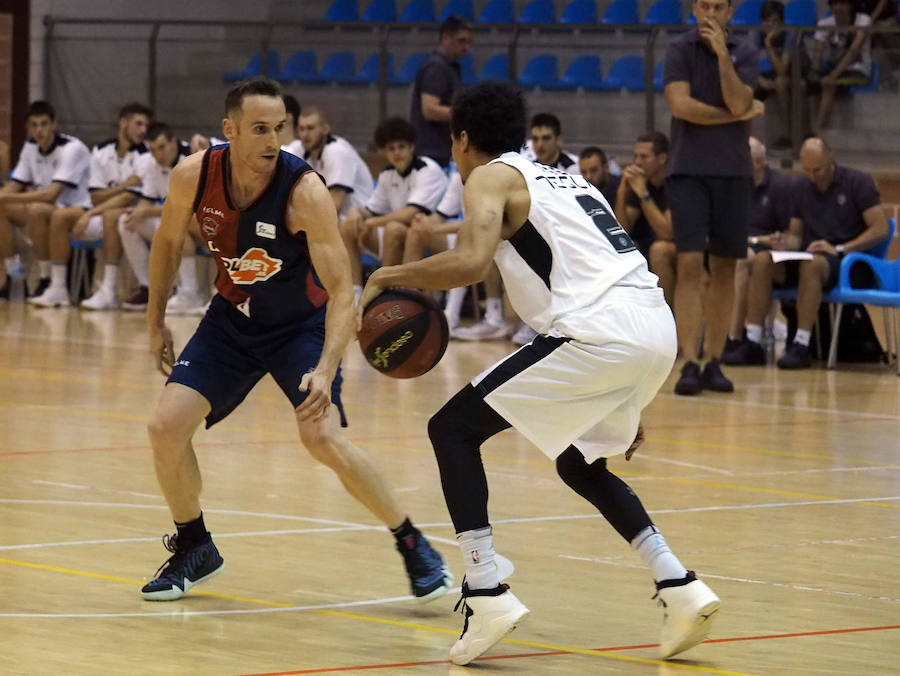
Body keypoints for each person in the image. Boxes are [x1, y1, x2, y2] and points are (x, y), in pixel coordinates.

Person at [358, 82, 720, 666]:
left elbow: (472, 262)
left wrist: (385, 277)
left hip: (595, 331)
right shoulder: (564, 178)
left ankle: (484, 591)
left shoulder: (489, 176)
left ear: (463, 139)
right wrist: (631, 387)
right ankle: (680, 586)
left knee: (452, 430)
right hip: (653, 328)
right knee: (581, 461)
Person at [140, 78, 452, 603]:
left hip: (300, 327)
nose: (271, 140)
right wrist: (155, 321)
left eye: (278, 129)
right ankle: (194, 543)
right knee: (164, 427)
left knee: (321, 438)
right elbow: (168, 243)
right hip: (231, 321)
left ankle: (412, 541)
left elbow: (340, 290)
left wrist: (327, 367)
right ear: (229, 130)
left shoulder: (303, 191)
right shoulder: (193, 177)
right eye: (259, 129)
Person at [663, 0, 764, 395]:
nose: (711, 13)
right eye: (704, 5)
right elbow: (680, 106)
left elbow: (740, 99)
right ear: (692, 9)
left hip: (734, 171)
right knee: (689, 264)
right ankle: (688, 360)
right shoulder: (678, 50)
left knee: (725, 268)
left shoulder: (747, 52)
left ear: (731, 11)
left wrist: (723, 55)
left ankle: (715, 361)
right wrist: (736, 116)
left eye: (718, 6)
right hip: (687, 169)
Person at [731, 137, 889, 368]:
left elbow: (881, 229)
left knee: (812, 265)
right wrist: (785, 243)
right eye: (808, 170)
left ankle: (802, 343)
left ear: (831, 157)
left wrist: (839, 248)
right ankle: (754, 339)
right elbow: (796, 235)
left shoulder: (858, 182)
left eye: (818, 169)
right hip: (809, 255)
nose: (814, 176)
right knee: (763, 260)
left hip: (848, 259)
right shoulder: (801, 188)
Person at [28, 101, 152, 307]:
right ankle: (58, 287)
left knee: (112, 214)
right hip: (99, 213)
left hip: (129, 218)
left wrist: (93, 210)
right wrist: (122, 187)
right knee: (60, 216)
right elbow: (95, 196)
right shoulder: (101, 150)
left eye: (146, 126)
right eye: (138, 124)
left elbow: (127, 198)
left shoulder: (145, 155)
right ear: (123, 123)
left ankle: (108, 290)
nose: (143, 130)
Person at [81, 122, 201, 312]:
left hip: (202, 221)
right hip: (172, 217)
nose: (158, 155)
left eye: (161, 148)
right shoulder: (152, 165)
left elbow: (187, 206)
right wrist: (137, 212)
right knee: (126, 223)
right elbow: (147, 199)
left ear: (174, 142)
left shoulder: (191, 160)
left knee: (179, 224)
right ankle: (150, 288)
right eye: (153, 150)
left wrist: (146, 211)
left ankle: (190, 293)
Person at [338, 117, 447, 301]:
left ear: (412, 147)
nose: (397, 153)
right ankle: (355, 294)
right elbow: (371, 209)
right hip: (405, 234)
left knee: (394, 228)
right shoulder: (388, 174)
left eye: (401, 147)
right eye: (391, 148)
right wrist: (355, 212)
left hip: (436, 235)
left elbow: (411, 214)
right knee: (348, 225)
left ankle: (384, 294)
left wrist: (371, 222)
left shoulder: (428, 169)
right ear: (384, 152)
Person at [0, 101, 91, 302]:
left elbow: (51, 194)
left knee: (35, 209)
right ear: (28, 128)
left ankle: (45, 278)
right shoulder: (30, 147)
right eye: (34, 125)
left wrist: (5, 195)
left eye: (44, 124)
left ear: (54, 124)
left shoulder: (71, 148)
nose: (39, 130)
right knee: (3, 208)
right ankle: (14, 277)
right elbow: (15, 185)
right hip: (44, 209)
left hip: (80, 209)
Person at [403, 171, 508, 340]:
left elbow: (483, 222)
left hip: (498, 238)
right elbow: (441, 215)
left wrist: (435, 229)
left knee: (474, 238)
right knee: (415, 233)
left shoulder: (494, 175)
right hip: (467, 235)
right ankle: (407, 310)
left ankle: (488, 318)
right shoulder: (457, 177)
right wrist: (424, 222)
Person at [722, 136, 794, 364]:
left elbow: (790, 235)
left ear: (760, 161)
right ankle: (712, 334)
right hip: (736, 244)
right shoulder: (732, 186)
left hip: (769, 258)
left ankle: (734, 336)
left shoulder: (781, 186)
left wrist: (772, 240)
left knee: (744, 259)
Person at [614, 132, 676, 306]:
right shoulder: (641, 182)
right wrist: (622, 191)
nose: (637, 162)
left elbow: (666, 232)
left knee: (659, 249)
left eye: (644, 156)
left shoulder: (674, 182)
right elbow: (621, 231)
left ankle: (667, 316)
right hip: (646, 244)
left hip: (683, 247)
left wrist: (643, 193)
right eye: (635, 156)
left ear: (662, 158)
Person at [410, 15, 472, 168]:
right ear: (445, 38)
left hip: (441, 149)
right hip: (431, 152)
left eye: (468, 42)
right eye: (461, 41)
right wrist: (466, 115)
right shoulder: (436, 68)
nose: (466, 48)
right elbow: (430, 110)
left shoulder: (450, 67)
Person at [295, 105, 373, 217]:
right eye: (301, 129)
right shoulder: (303, 150)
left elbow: (334, 207)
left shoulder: (336, 152)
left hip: (360, 219)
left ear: (325, 129)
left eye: (310, 128)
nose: (305, 135)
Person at [809, 0, 873, 131]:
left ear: (850, 5)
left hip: (858, 69)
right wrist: (814, 72)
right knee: (803, 84)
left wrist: (832, 76)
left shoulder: (863, 21)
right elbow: (818, 52)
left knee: (829, 84)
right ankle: (800, 131)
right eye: (835, 4)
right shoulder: (825, 23)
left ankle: (816, 132)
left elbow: (853, 52)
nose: (838, 8)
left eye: (843, 4)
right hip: (833, 67)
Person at [755, 0, 807, 147]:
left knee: (780, 82)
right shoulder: (756, 33)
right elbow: (748, 65)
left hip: (797, 73)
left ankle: (788, 135)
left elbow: (782, 70)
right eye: (766, 21)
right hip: (771, 75)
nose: (770, 25)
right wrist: (760, 80)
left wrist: (768, 45)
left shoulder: (790, 35)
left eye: (774, 21)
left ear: (782, 22)